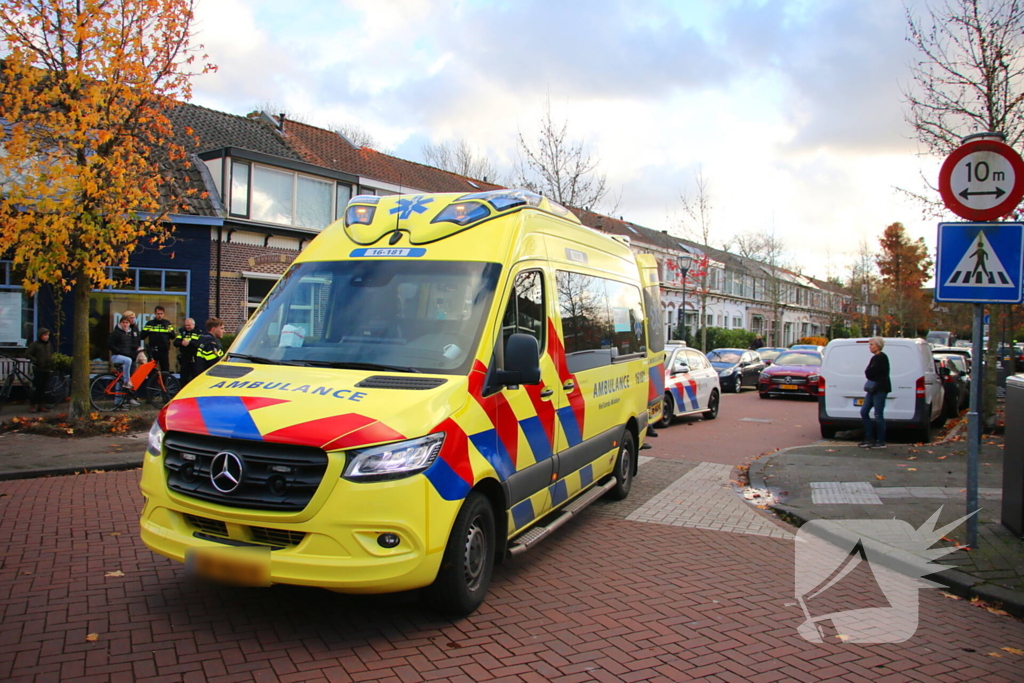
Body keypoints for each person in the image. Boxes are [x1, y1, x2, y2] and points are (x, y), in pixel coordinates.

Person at [860, 336, 891, 449]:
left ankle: (880, 440)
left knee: (878, 414)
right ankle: (868, 438)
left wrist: (870, 372)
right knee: (864, 411)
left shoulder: (882, 358)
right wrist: (870, 372)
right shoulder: (874, 358)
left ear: (878, 346)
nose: (870, 347)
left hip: (880, 389)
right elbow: (868, 372)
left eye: (871, 344)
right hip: (872, 388)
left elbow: (872, 372)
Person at [108, 314, 141, 406]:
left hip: (125, 356)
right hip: (116, 357)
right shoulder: (116, 332)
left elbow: (129, 346)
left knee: (119, 380)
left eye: (127, 323)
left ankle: (118, 402)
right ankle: (127, 381)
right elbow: (110, 344)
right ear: (120, 323)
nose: (125, 324)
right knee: (128, 361)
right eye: (123, 322)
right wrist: (118, 351)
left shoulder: (129, 333)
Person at [25, 328, 54, 413]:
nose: (46, 337)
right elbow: (27, 354)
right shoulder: (35, 345)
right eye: (45, 335)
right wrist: (35, 360)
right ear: (40, 335)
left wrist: (51, 360)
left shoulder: (48, 344)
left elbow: (51, 353)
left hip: (47, 368)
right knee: (37, 387)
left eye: (48, 335)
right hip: (39, 369)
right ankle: (33, 405)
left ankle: (41, 405)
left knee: (44, 388)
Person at [141, 305, 176, 374]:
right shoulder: (150, 324)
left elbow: (173, 336)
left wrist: (169, 331)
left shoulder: (167, 323)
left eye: (161, 314)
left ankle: (164, 384)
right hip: (153, 350)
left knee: (165, 369)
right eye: (158, 314)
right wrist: (148, 331)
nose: (159, 315)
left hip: (164, 350)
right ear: (155, 314)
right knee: (151, 369)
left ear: (163, 314)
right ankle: (151, 384)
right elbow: (142, 336)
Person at [174, 317, 203, 385]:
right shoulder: (182, 332)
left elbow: (199, 344)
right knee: (183, 377)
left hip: (194, 358)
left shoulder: (198, 332)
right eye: (186, 325)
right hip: (184, 358)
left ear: (193, 325)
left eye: (189, 325)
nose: (187, 327)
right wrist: (181, 343)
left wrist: (189, 342)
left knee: (195, 377)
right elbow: (175, 342)